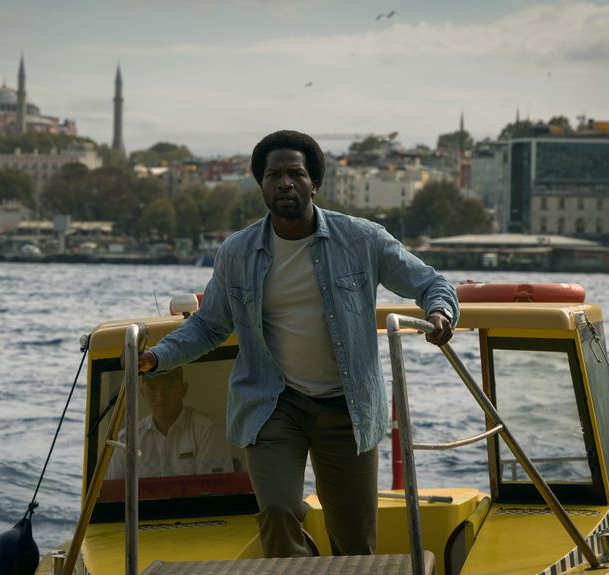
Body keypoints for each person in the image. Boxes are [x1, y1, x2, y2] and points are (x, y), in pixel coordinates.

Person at [138, 130, 458, 558]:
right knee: (277, 510)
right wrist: (156, 358)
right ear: (262, 185)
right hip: (275, 403)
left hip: (349, 406)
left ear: (314, 183)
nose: (285, 183)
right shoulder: (237, 253)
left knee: (355, 540)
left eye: (295, 173)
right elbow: (209, 326)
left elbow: (431, 283)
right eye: (274, 175)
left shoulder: (362, 239)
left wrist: (440, 313)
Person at [107, 368, 232, 480]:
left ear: (184, 390)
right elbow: (112, 493)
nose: (160, 396)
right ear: (142, 393)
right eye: (152, 388)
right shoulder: (128, 440)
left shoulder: (207, 430)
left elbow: (214, 492)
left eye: (169, 386)